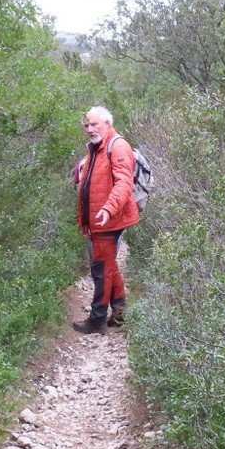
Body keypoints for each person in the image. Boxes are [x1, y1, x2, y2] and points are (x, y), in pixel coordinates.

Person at [73, 105, 140, 335]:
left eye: (94, 124)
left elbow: (124, 183)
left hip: (109, 220)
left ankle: (97, 319)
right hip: (98, 220)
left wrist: (108, 209)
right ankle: (119, 309)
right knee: (108, 264)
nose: (89, 128)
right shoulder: (96, 147)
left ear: (108, 124)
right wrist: (85, 221)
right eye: (87, 124)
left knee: (100, 269)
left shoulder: (118, 146)